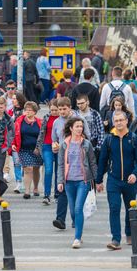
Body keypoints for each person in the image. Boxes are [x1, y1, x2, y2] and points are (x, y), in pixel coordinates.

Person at [96, 111, 137, 249]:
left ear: (126, 121)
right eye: (116, 120)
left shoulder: (134, 138)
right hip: (114, 180)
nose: (118, 123)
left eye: (121, 120)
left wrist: (135, 173)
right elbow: (103, 160)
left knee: (130, 208)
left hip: (130, 181)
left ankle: (129, 234)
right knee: (114, 207)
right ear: (113, 122)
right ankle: (115, 239)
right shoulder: (109, 139)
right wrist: (99, 180)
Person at [51, 97, 91, 230]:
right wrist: (55, 145)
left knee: (75, 195)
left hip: (78, 158)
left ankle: (76, 217)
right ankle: (60, 219)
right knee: (61, 187)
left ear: (69, 107)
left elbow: (88, 136)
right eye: (59, 109)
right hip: (63, 158)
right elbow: (54, 139)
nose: (61, 111)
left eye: (64, 109)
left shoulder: (79, 119)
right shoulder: (56, 122)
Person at [58, 118, 97, 249]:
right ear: (71, 128)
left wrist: (96, 180)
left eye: (81, 126)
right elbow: (61, 164)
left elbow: (92, 162)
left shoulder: (86, 144)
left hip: (83, 180)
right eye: (77, 126)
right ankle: (77, 226)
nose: (80, 129)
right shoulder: (64, 144)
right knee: (73, 211)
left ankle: (77, 237)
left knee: (78, 208)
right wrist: (60, 181)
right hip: (69, 181)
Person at [12, 101, 42, 199]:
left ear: (35, 112)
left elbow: (42, 136)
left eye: (30, 110)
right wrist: (13, 144)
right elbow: (14, 134)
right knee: (28, 168)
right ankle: (27, 191)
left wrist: (39, 147)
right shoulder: (19, 121)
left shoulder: (39, 122)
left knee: (36, 168)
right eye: (26, 110)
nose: (28, 112)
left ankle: (36, 188)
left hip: (36, 149)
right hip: (24, 149)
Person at [36, 99, 59, 205]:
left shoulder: (63, 118)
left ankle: (57, 194)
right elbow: (42, 132)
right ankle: (46, 195)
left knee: (58, 171)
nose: (53, 112)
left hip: (60, 146)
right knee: (48, 169)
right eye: (52, 110)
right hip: (47, 145)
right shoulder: (46, 117)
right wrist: (38, 146)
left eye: (56, 110)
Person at [75, 94, 105, 160]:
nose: (80, 105)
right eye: (78, 104)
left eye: (82, 103)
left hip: (93, 145)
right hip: (78, 146)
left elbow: (101, 131)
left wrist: (98, 147)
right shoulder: (75, 115)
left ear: (87, 102)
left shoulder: (95, 114)